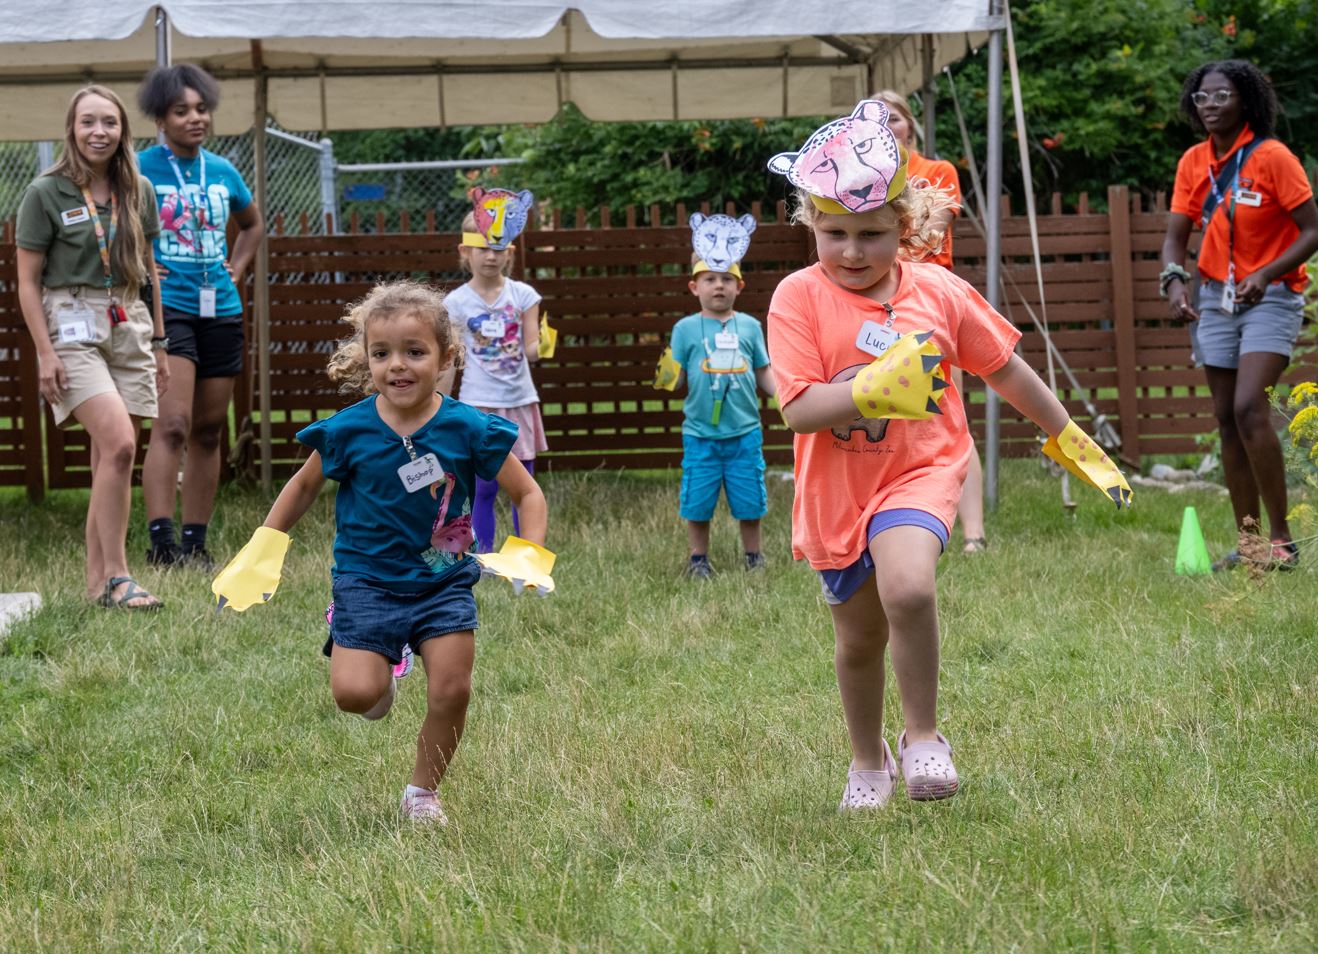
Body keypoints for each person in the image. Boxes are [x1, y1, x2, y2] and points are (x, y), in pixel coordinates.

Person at [766, 100, 1131, 810]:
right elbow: (800, 408)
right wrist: (875, 389)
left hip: (919, 471)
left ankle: (924, 736)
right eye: (833, 234)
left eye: (870, 235)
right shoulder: (796, 299)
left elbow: (1004, 369)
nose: (851, 252)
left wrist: (1067, 437)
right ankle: (867, 759)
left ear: (903, 229)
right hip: (837, 492)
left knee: (909, 589)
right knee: (859, 641)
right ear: (811, 226)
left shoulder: (937, 290)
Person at [212, 281, 549, 823]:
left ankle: (423, 794)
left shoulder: (467, 428)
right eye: (382, 353)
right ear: (365, 358)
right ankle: (385, 669)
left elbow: (527, 492)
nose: (398, 365)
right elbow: (300, 488)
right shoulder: (349, 431)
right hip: (365, 581)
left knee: (452, 689)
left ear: (446, 357)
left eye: (415, 352)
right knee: (354, 695)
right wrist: (261, 552)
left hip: (443, 580)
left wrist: (528, 551)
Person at [1160, 59, 1318, 570]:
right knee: (1227, 417)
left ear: (1245, 100)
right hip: (1215, 301)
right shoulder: (1192, 162)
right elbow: (1175, 238)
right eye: (1202, 97)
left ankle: (1281, 540)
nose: (1210, 105)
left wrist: (1267, 273)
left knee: (1251, 406)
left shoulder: (1273, 157)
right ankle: (1250, 545)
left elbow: (1313, 230)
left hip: (1271, 297)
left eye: (1222, 96)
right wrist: (1175, 279)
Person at [16, 85, 169, 610]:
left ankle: (96, 584)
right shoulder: (46, 192)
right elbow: (26, 283)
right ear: (72, 129)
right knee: (121, 443)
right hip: (69, 322)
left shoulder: (139, 189)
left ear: (123, 130)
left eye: (109, 122)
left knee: (113, 455)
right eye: (88, 122)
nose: (98, 132)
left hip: (129, 319)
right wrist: (45, 353)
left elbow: (149, 273)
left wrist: (162, 344)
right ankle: (122, 575)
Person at [137, 64, 266, 569]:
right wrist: (143, 271)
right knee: (172, 424)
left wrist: (236, 268)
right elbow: (117, 228)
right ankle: (160, 542)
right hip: (169, 314)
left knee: (210, 430)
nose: (195, 118)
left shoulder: (224, 170)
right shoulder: (141, 167)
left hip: (222, 310)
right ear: (161, 119)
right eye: (181, 111)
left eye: (200, 108)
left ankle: (195, 542)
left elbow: (252, 225)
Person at [873, 88, 988, 553]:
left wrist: (883, 245)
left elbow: (930, 230)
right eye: (876, 122)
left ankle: (974, 534)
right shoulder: (859, 176)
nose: (886, 128)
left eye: (894, 119)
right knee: (883, 415)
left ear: (910, 125)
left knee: (949, 411)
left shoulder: (936, 172)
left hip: (926, 298)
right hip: (876, 303)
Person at [664, 215, 776, 578]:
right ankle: (698, 559)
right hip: (700, 434)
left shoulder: (749, 326)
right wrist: (666, 374)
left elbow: (762, 369)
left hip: (744, 432)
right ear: (694, 286)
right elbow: (675, 376)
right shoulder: (684, 329)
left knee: (750, 501)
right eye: (709, 279)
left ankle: (754, 557)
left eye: (726, 279)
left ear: (739, 286)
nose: (718, 286)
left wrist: (785, 395)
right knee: (698, 501)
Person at [441, 188, 545, 552]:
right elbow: (450, 360)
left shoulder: (524, 296)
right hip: (477, 403)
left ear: (510, 252)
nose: (490, 255)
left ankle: (524, 554)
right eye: (483, 247)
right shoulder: (454, 302)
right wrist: (439, 401)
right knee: (482, 485)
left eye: (498, 248)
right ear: (465, 252)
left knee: (523, 482)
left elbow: (531, 353)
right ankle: (483, 554)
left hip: (518, 400)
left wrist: (543, 345)